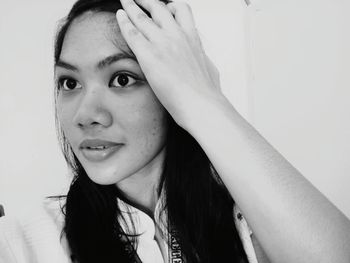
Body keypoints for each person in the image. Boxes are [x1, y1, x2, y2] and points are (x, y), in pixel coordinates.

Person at [1, 0, 350, 262]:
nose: (85, 115)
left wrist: (207, 102)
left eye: (122, 79)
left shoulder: (253, 220)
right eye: (69, 82)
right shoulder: (25, 242)